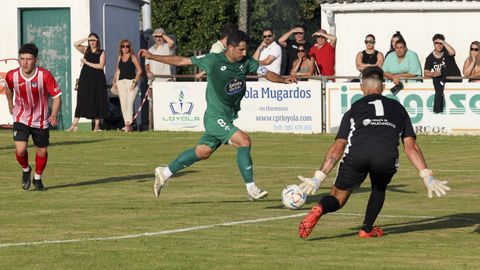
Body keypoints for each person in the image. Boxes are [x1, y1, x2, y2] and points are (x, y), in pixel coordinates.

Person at [138, 30, 296, 200]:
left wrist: (284, 80)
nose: (244, 53)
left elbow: (266, 73)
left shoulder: (247, 61)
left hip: (227, 116)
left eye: (246, 50)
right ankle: (251, 188)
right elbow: (182, 60)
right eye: (241, 50)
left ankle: (165, 172)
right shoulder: (213, 60)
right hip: (215, 117)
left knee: (203, 152)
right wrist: (152, 57)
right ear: (229, 47)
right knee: (244, 141)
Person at [296, 66, 451, 239]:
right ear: (383, 87)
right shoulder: (398, 108)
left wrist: (319, 176)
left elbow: (339, 145)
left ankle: (320, 208)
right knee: (379, 187)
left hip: (357, 155)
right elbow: (410, 146)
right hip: (385, 156)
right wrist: (426, 175)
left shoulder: (354, 108)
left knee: (338, 197)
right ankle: (367, 229)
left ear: (362, 87)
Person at [4, 43, 62, 191]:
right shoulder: (12, 75)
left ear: (36, 59)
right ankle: (25, 170)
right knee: (20, 149)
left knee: (41, 151)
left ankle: (37, 178)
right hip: (21, 117)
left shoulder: (45, 75)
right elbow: (8, 88)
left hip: (40, 120)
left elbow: (56, 97)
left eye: (28, 59)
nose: (25, 62)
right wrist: (10, 103)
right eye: (22, 58)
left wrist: (54, 113)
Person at [67, 33, 108, 131]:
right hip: (85, 78)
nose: (92, 42)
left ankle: (97, 126)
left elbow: (101, 66)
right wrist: (87, 38)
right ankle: (74, 125)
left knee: (97, 100)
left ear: (98, 42)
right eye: (91, 40)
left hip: (98, 79)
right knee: (81, 99)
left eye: (94, 40)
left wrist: (87, 63)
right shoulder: (86, 50)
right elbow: (75, 44)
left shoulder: (101, 52)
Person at [424, 34, 462, 113]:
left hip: (454, 80)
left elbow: (453, 52)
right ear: (433, 44)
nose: (439, 45)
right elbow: (426, 72)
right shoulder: (430, 57)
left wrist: (443, 42)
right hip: (442, 83)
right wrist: (433, 73)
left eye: (440, 43)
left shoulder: (447, 52)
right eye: (436, 43)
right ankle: (438, 108)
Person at [112, 39, 143, 132]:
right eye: (123, 46)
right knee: (123, 105)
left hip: (131, 82)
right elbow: (118, 70)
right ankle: (127, 125)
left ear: (130, 47)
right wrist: (114, 80)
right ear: (120, 48)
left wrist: (134, 82)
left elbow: (140, 70)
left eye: (127, 46)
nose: (125, 48)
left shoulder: (133, 57)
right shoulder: (119, 57)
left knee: (129, 103)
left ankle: (128, 125)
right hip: (121, 82)